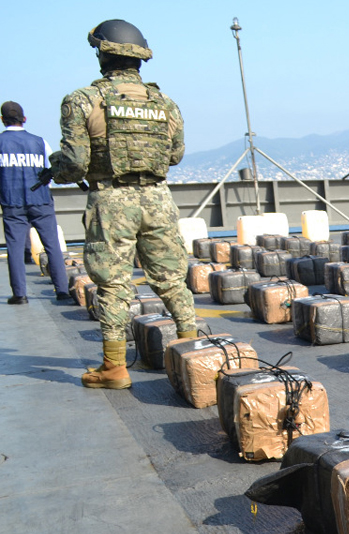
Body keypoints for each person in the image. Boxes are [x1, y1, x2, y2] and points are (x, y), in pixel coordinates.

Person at [51, 19, 195, 390]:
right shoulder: (165, 102)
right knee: (171, 277)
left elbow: (74, 164)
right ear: (140, 59)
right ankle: (193, 353)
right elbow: (175, 154)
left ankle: (114, 368)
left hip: (111, 200)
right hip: (157, 197)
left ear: (102, 54)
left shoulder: (82, 100)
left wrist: (55, 167)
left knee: (114, 284)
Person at [1, 101, 69, 304]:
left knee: (14, 247)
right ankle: (62, 290)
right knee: (52, 245)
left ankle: (20, 294)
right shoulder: (40, 142)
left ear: (3, 120)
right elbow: (52, 169)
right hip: (41, 200)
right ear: (24, 119)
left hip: (12, 202)